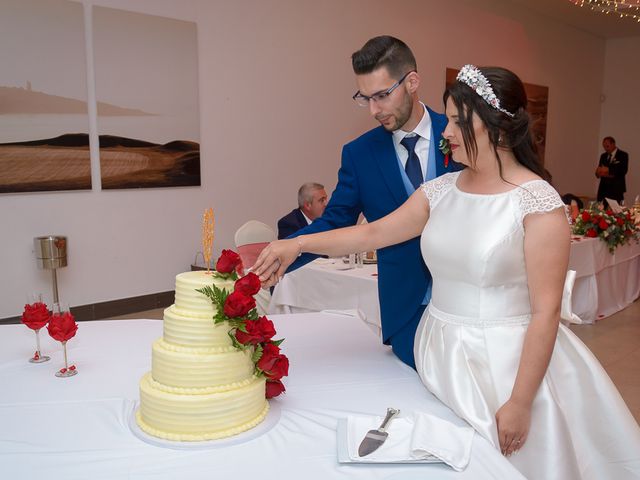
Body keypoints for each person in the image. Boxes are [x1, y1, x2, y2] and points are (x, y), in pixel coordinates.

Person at [254, 65, 640, 479]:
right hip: (436, 350)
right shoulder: (441, 191)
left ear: (496, 125)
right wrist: (298, 243)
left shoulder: (537, 203)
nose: (447, 132)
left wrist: (521, 402)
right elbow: (375, 233)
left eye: (458, 121)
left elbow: (545, 312)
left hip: (504, 365)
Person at [264, 35, 461, 368]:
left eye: (383, 95)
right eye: (365, 98)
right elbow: (335, 221)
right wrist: (285, 255)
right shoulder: (359, 154)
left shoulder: (460, 134)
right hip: (405, 309)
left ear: (412, 81)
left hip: (465, 300)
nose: (374, 110)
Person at [595, 136, 629, 206]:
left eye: (607, 146)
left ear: (613, 144)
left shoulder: (623, 155)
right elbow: (598, 172)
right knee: (601, 213)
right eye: (604, 146)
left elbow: (623, 171)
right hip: (603, 190)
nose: (605, 148)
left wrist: (608, 170)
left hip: (616, 190)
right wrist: (598, 172)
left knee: (616, 213)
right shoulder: (603, 156)